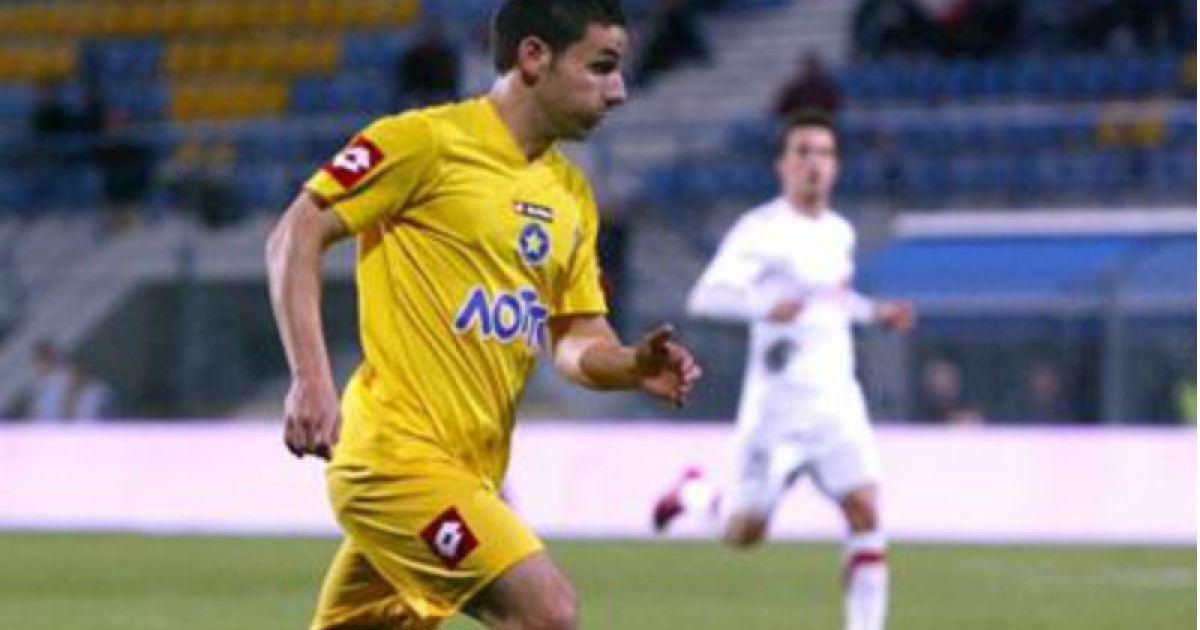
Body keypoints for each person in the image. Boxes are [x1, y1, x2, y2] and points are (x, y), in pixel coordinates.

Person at [265, 2, 702, 629]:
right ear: (534, 57)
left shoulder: (571, 196)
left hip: (471, 474)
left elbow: (576, 340)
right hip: (395, 458)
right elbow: (295, 233)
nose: (619, 91)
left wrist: (630, 364)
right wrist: (310, 378)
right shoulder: (424, 142)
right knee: (547, 612)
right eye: (601, 66)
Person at [651, 109, 913, 630]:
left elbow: (832, 298)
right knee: (744, 532)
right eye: (803, 152)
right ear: (783, 165)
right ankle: (695, 493)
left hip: (836, 403)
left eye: (824, 153)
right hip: (776, 410)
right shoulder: (761, 230)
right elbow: (705, 297)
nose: (814, 163)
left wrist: (874, 313)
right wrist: (764, 307)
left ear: (836, 166)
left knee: (865, 509)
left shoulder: (839, 232)